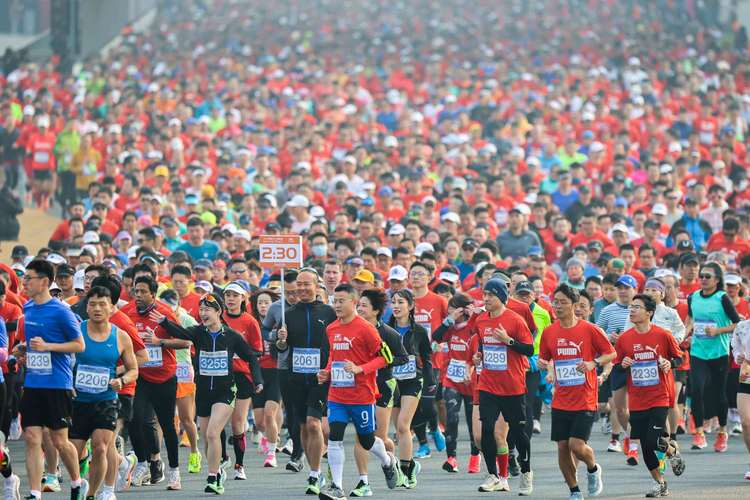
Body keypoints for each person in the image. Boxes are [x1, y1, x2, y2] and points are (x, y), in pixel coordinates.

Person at [151, 292, 263, 495]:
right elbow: (181, 332)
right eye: (201, 309)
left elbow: (251, 358)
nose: (203, 313)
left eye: (207, 310)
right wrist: (164, 322)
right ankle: (218, 469)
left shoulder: (231, 336)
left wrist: (258, 381)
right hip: (203, 392)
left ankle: (212, 477)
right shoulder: (198, 333)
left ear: (218, 312)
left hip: (225, 392)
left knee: (213, 433)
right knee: (206, 437)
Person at [316, 284, 401, 500]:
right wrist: (326, 372)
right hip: (337, 395)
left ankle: (389, 461)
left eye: (341, 301)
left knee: (367, 441)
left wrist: (360, 369)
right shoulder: (331, 328)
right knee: (334, 437)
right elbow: (333, 357)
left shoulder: (366, 329)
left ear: (353, 302)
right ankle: (337, 487)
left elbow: (386, 358)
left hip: (362, 396)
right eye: (334, 301)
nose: (336, 305)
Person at [14, 259, 87, 500]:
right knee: (33, 438)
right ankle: (35, 492)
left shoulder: (61, 311)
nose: (24, 283)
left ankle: (77, 482)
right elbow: (33, 344)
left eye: (29, 278)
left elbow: (79, 345)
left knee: (59, 440)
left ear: (44, 282)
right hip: (33, 383)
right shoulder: (27, 308)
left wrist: (48, 347)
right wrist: (24, 350)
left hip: (58, 383)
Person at [538, 284, 615, 500]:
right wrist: (547, 367)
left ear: (574, 305)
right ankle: (574, 490)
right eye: (555, 302)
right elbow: (545, 358)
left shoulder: (590, 329)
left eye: (563, 302)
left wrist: (593, 363)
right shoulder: (549, 331)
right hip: (561, 399)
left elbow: (611, 353)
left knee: (576, 445)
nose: (558, 306)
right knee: (562, 446)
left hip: (585, 398)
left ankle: (592, 468)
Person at [120, 276, 189, 489]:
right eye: (135, 291)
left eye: (142, 292)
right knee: (134, 419)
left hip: (164, 377)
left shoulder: (163, 313)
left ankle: (174, 471)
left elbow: (185, 340)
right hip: (140, 376)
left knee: (167, 425)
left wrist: (160, 342)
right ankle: (143, 462)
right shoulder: (127, 313)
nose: (138, 295)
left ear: (153, 293)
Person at [70, 286, 139, 500]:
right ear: (86, 307)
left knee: (100, 447)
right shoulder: (76, 331)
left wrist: (122, 380)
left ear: (111, 308)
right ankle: (78, 482)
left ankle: (93, 493)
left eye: (102, 304)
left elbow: (134, 369)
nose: (97, 308)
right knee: (74, 451)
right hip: (78, 400)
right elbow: (62, 361)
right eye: (92, 304)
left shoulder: (121, 336)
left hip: (106, 401)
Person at [616, 294, 686, 497]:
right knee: (646, 447)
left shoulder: (663, 335)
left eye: (636, 307)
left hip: (659, 396)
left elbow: (680, 358)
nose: (632, 310)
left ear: (649, 313)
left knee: (650, 441)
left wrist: (668, 363)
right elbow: (617, 365)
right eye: (631, 307)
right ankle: (660, 482)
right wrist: (624, 364)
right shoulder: (625, 338)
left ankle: (671, 452)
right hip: (637, 399)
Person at [275, 269, 336, 495]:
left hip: (320, 378)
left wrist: (329, 369)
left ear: (316, 285)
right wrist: (281, 341)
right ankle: (315, 471)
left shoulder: (328, 312)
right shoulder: (288, 314)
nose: (301, 288)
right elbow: (280, 349)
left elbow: (335, 343)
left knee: (313, 423)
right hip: (295, 377)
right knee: (302, 426)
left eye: (306, 284)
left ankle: (314, 472)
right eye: (298, 284)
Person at [474, 278, 534, 494]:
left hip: (513, 387)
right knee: (487, 430)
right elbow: (482, 344)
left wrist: (508, 340)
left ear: (501, 296)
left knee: (518, 433)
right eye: (485, 294)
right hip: (488, 385)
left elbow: (529, 349)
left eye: (491, 295)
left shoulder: (515, 320)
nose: (486, 298)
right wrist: (478, 356)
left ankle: (526, 472)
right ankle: (494, 475)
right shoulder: (480, 321)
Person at [351, 288, 408, 497]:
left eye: (364, 306)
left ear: (376, 310)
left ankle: (391, 463)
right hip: (359, 387)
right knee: (361, 435)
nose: (360, 309)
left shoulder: (388, 333)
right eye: (359, 305)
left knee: (380, 437)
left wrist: (380, 361)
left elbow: (402, 357)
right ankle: (363, 481)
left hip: (383, 385)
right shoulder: (353, 330)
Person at [686, 262, 741, 451]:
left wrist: (718, 330)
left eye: (707, 276)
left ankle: (722, 432)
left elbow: (737, 324)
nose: (702, 279)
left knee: (719, 394)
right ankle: (699, 433)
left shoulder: (722, 298)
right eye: (701, 275)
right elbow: (691, 319)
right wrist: (685, 332)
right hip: (698, 352)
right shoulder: (692, 297)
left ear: (717, 280)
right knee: (697, 391)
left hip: (718, 352)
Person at [388, 289, 434, 488]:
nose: (396, 306)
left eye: (400, 302)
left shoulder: (420, 331)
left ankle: (405, 473)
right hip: (391, 381)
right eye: (393, 302)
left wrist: (431, 380)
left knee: (402, 425)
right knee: (397, 430)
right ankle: (411, 464)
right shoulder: (385, 329)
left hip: (413, 380)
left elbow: (427, 356)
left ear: (410, 306)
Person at [431, 292, 481, 473]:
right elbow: (435, 338)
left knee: (471, 420)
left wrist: (471, 367)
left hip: (471, 381)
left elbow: (479, 353)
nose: (449, 313)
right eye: (448, 311)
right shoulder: (449, 328)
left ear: (462, 310)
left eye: (452, 310)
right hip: (452, 379)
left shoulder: (473, 327)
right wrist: (449, 320)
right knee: (451, 417)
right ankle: (451, 458)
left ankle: (475, 455)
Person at [221, 281, 264, 475]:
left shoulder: (250, 321)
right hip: (219, 375)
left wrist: (240, 352)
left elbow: (258, 351)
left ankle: (240, 465)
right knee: (218, 421)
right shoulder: (217, 318)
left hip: (242, 375)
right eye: (227, 295)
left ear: (242, 299)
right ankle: (222, 458)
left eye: (234, 295)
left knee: (238, 422)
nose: (230, 298)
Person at [157, 289, 201, 475]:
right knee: (160, 419)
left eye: (172, 307)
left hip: (183, 369)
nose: (169, 311)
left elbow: (193, 342)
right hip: (162, 369)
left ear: (178, 305)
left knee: (186, 418)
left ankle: (194, 452)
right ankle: (156, 457)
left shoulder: (187, 320)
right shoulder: (156, 318)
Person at [596, 274, 636, 461]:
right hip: (616, 363)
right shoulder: (608, 310)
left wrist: (626, 340)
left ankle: (632, 438)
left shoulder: (640, 309)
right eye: (619, 287)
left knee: (636, 406)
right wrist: (608, 339)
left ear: (634, 289)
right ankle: (626, 435)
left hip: (638, 363)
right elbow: (597, 333)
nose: (622, 291)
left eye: (626, 287)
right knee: (618, 407)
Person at [249, 288, 284, 468]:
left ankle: (272, 453)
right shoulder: (252, 324)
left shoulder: (280, 324)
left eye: (267, 303)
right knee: (260, 422)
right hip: (258, 374)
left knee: (270, 415)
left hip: (276, 373)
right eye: (260, 303)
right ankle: (268, 436)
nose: (263, 306)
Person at [730, 318, 750, 479]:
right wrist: (738, 356)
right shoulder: (742, 326)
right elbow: (735, 343)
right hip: (747, 379)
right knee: (745, 422)